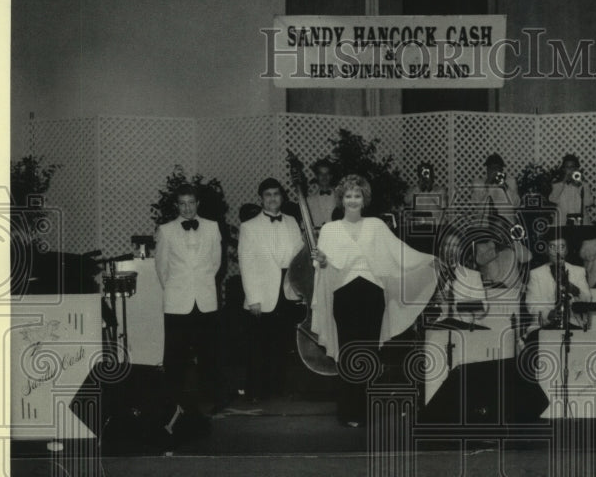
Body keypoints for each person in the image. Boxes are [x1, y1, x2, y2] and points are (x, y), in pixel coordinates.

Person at [311, 174, 437, 426]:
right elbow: (321, 265)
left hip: (372, 295)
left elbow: (400, 255)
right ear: (341, 200)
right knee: (348, 351)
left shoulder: (377, 226)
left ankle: (365, 411)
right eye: (348, 196)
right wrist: (322, 260)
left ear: (364, 199)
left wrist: (429, 261)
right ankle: (347, 411)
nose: (353, 200)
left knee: (368, 352)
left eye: (357, 195)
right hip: (344, 296)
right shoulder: (329, 229)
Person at [154, 183, 224, 415]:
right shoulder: (165, 230)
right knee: (175, 356)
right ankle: (174, 403)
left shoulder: (213, 227)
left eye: (191, 203)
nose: (186, 208)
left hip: (205, 299)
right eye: (182, 204)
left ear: (198, 204)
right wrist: (178, 289)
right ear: (177, 205)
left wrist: (199, 284)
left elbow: (215, 264)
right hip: (177, 302)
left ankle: (211, 399)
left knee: (210, 353)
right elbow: (162, 268)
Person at [238, 177, 305, 400]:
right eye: (268, 195)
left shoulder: (292, 222)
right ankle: (256, 391)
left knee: (282, 343)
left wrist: (300, 288)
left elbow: (298, 254)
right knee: (259, 346)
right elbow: (246, 265)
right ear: (261, 199)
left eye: (276, 194)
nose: (272, 199)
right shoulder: (249, 227)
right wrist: (253, 298)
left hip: (286, 290)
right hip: (261, 293)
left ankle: (278, 390)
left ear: (282, 197)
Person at [525, 226, 593, 333]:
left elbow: (587, 300)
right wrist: (548, 314)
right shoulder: (536, 274)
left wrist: (572, 288)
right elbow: (531, 305)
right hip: (543, 326)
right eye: (552, 247)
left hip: (573, 324)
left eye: (562, 247)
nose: (557, 252)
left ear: (567, 251)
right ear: (546, 250)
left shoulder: (579, 271)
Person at [469, 153, 520, 220]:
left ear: (501, 170)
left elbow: (516, 204)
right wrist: (486, 185)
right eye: (491, 168)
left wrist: (505, 188)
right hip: (484, 224)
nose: (494, 171)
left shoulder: (510, 182)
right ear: (487, 169)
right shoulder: (478, 183)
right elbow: (475, 202)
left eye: (496, 168)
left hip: (506, 223)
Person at [548, 153, 594, 227]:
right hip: (562, 223)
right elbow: (553, 199)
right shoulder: (557, 185)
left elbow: (588, 202)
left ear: (576, 169)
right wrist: (563, 181)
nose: (569, 170)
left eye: (572, 167)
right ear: (563, 169)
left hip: (580, 223)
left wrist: (579, 186)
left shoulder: (584, 185)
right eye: (567, 167)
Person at [404, 161, 448, 227]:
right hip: (419, 227)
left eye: (427, 173)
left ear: (432, 175)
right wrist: (419, 188)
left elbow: (443, 205)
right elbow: (406, 200)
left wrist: (430, 190)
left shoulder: (440, 190)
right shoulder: (413, 190)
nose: (425, 177)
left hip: (436, 226)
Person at [306, 158, 338, 229]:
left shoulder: (340, 198)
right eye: (321, 174)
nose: (324, 177)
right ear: (316, 176)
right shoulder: (309, 200)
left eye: (327, 174)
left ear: (331, 176)